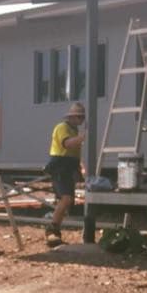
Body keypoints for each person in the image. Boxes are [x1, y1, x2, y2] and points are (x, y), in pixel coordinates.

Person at [44, 101, 86, 247]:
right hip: (60, 167)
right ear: (72, 117)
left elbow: (74, 152)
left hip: (68, 168)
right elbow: (67, 144)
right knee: (66, 199)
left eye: (82, 117)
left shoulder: (74, 131)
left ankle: (55, 230)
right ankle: (52, 230)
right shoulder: (62, 128)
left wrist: (80, 167)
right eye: (79, 117)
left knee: (67, 200)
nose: (82, 120)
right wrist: (82, 138)